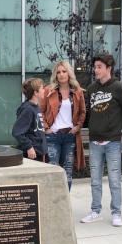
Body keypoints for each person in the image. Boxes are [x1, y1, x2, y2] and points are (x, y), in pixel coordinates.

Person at [80, 53, 122, 227]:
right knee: (95, 180)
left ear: (109, 68)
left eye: (99, 67)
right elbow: (90, 113)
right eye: (95, 67)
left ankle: (116, 213)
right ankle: (96, 211)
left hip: (112, 142)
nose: (96, 70)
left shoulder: (119, 88)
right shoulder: (91, 89)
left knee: (114, 180)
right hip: (95, 141)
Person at [39, 60, 86, 190]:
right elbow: (41, 110)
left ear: (69, 73)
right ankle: (52, 204)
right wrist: (46, 128)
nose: (61, 74)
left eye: (64, 71)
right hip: (53, 136)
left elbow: (83, 111)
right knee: (52, 169)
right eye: (58, 72)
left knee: (68, 171)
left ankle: (64, 205)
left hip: (70, 136)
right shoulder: (49, 90)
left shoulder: (77, 91)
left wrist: (77, 126)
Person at [12, 78, 48, 162]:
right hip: (31, 154)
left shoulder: (35, 108)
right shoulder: (28, 110)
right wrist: (29, 147)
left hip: (38, 152)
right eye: (42, 88)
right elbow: (17, 132)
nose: (44, 90)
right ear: (35, 92)